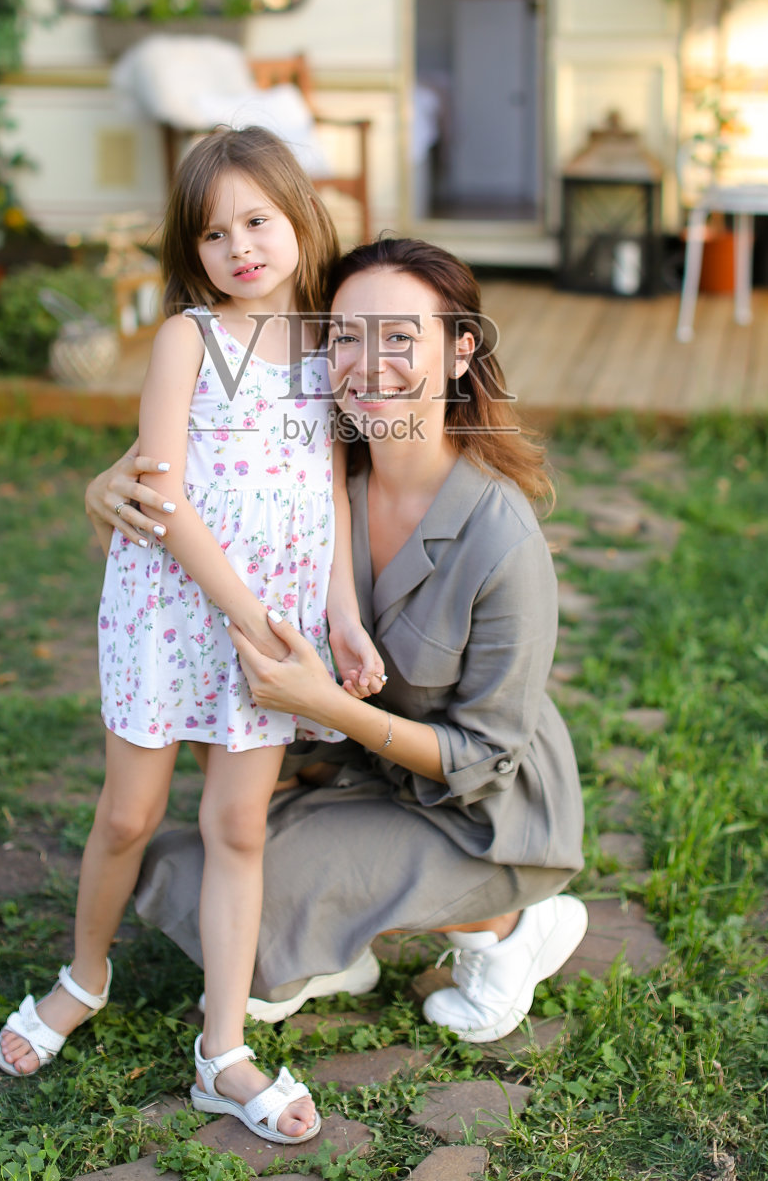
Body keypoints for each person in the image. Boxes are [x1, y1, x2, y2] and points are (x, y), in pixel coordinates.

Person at [88, 236, 587, 1047]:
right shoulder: (314, 468)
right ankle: (340, 939)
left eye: (400, 338)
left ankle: (506, 928)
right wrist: (102, 489)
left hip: (478, 810)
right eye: (345, 336)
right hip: (352, 769)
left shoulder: (501, 537)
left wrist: (322, 704)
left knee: (241, 935)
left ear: (460, 352)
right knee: (187, 875)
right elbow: (178, 473)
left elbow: (481, 755)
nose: (367, 362)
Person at [0, 128, 384, 1147]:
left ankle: (221, 1049)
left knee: (237, 825)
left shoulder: (325, 342)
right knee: (129, 811)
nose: (240, 248)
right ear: (192, 251)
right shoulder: (188, 339)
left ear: (298, 215)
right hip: (176, 610)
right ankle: (84, 975)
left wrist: (337, 611)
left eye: (257, 220)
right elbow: (161, 496)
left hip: (279, 619)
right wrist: (252, 612)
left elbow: (330, 492)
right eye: (214, 234)